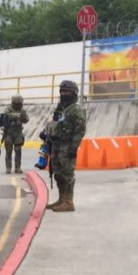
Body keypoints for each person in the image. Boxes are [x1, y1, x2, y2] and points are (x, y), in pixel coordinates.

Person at [47, 80, 86, 212]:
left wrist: (73, 147)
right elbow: (55, 124)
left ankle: (69, 202)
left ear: (73, 93)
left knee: (67, 174)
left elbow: (80, 130)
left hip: (67, 146)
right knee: (58, 173)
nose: (64, 94)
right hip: (56, 145)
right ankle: (61, 199)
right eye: (62, 91)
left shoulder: (76, 110)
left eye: (67, 92)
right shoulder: (61, 108)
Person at [2, 95, 29, 174]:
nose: (18, 105)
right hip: (9, 133)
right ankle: (8, 167)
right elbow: (6, 116)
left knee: (18, 150)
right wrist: (16, 115)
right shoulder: (8, 109)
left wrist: (23, 117)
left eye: (19, 104)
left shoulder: (22, 111)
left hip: (18, 133)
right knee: (8, 151)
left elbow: (26, 119)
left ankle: (17, 167)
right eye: (16, 104)